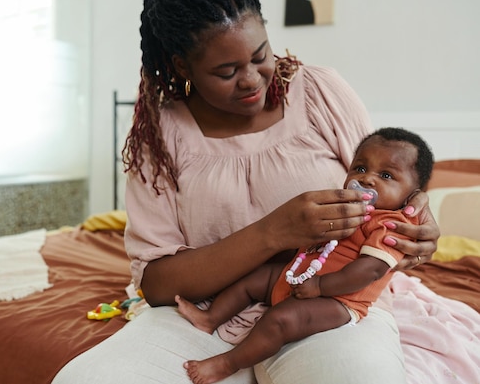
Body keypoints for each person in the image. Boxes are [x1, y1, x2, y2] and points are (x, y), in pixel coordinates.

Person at [54, 0, 439, 383]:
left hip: (329, 306)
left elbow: (389, 184)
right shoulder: (161, 136)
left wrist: (421, 224)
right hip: (206, 315)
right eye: (226, 72)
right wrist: (273, 232)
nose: (252, 80)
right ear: (183, 67)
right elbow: (157, 284)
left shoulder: (321, 93)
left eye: (260, 56)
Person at [176, 127, 434, 384]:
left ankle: (227, 363)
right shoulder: (344, 204)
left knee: (281, 320)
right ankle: (210, 318)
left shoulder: (391, 226)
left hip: (339, 299)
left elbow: (370, 270)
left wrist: (320, 286)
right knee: (254, 279)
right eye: (360, 168)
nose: (367, 179)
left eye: (386, 175)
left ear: (413, 194)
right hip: (300, 276)